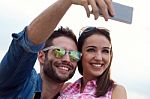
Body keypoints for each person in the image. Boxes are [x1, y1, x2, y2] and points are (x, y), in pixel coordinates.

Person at [0, 0, 115, 98]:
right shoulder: (19, 82)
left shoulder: (68, 95)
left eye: (74, 55)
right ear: (41, 56)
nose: (67, 59)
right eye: (59, 51)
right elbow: (28, 45)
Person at [58, 27, 127, 99]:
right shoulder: (66, 87)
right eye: (91, 50)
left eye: (105, 51)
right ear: (79, 54)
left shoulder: (116, 91)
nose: (98, 58)